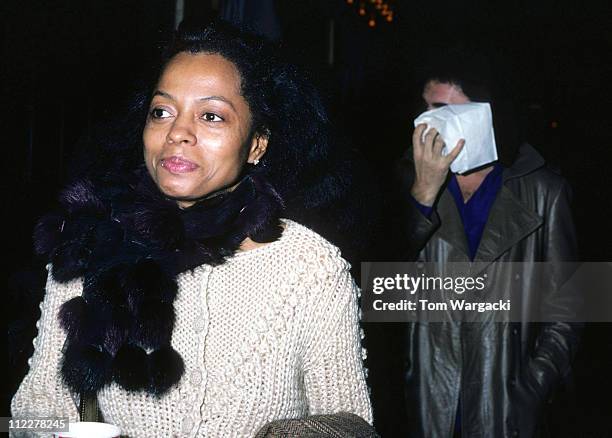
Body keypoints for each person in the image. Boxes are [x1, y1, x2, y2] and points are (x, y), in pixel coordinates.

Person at [11, 22, 373, 437]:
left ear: (257, 144)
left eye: (211, 116)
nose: (178, 133)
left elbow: (353, 424)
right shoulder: (88, 246)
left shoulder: (310, 265)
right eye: (161, 112)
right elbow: (31, 410)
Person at [395, 49, 581, 437]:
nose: (430, 124)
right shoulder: (403, 185)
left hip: (504, 399)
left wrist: (533, 384)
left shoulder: (544, 192)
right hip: (430, 396)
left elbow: (569, 305)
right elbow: (380, 281)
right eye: (427, 108)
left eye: (447, 111)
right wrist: (422, 196)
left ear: (487, 116)